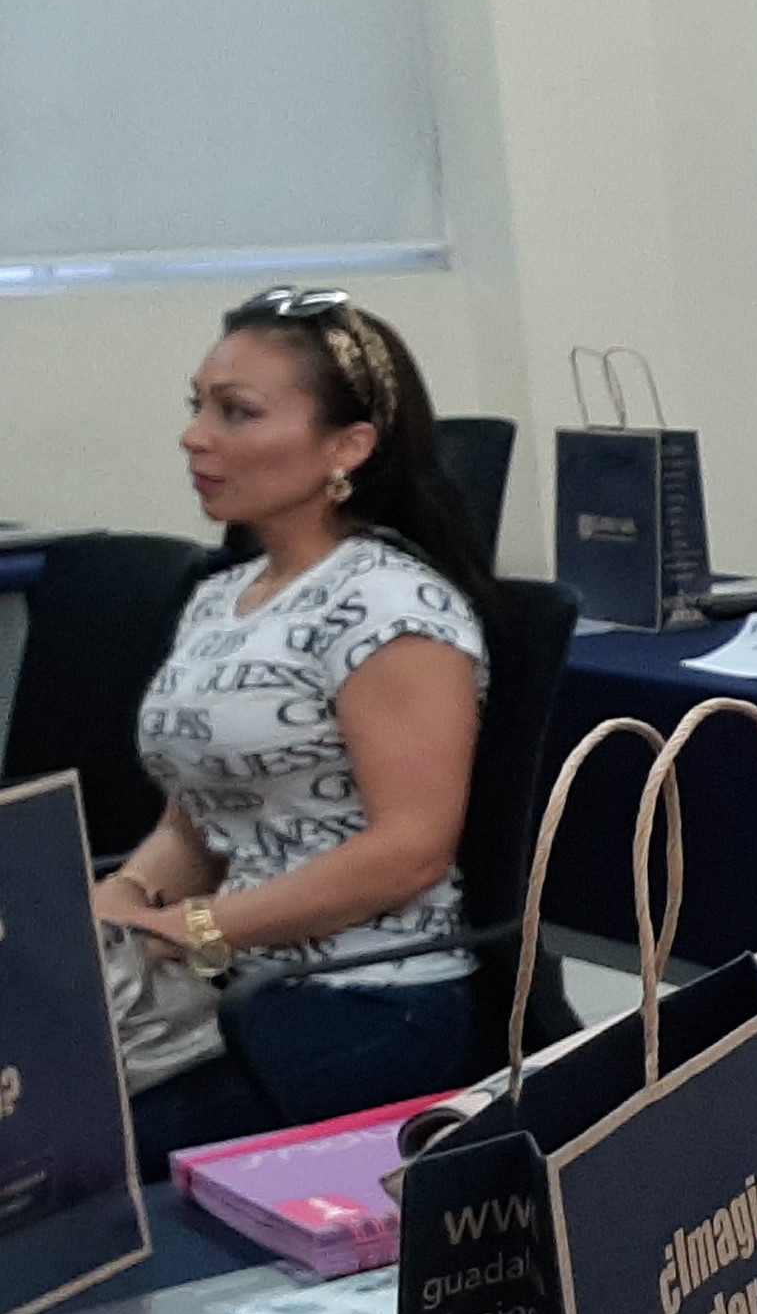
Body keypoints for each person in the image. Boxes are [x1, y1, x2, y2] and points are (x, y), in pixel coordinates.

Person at [95, 290, 489, 1170]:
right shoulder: (218, 599)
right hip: (235, 981)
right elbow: (200, 819)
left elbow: (411, 851)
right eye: (197, 406)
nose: (195, 437)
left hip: (368, 999)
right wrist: (128, 895)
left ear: (348, 447)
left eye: (236, 412)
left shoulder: (392, 605)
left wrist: (200, 927)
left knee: (79, 1155)